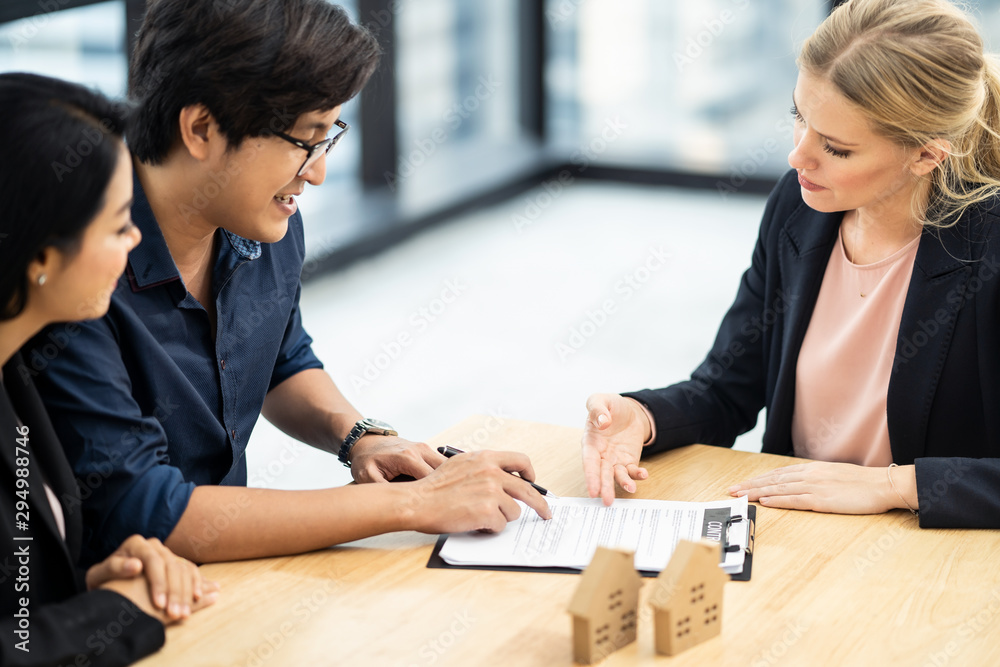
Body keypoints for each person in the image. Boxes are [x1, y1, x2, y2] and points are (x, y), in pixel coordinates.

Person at [25, 0, 550, 568]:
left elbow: (279, 358)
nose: (318, 172)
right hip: (110, 606)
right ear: (201, 129)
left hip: (229, 579)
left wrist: (361, 437)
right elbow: (146, 511)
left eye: (330, 136)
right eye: (306, 139)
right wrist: (412, 505)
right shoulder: (78, 265)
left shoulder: (262, 220)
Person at [582, 0, 1000, 529]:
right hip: (795, 530)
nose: (797, 157)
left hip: (923, 556)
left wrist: (891, 486)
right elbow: (727, 387)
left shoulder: (988, 247)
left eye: (836, 148)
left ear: (926, 156)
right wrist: (641, 418)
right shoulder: (798, 208)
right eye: (799, 119)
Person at [0, 73, 218, 666]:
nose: (136, 238)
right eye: (119, 223)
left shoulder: (17, 373)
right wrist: (115, 612)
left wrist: (89, 581)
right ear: (43, 257)